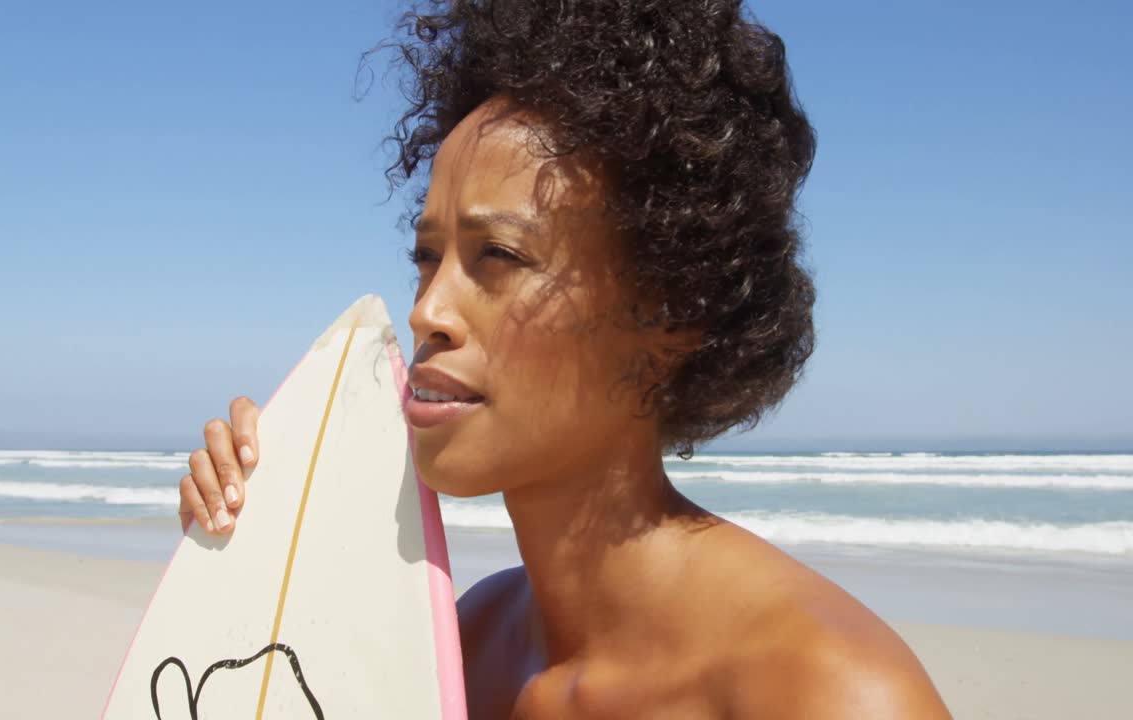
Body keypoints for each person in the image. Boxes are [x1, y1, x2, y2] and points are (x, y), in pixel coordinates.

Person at [177, 1, 952, 717]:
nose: (426, 312)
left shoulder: (825, 692)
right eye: (425, 257)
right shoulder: (466, 645)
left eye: (500, 256)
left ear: (671, 310)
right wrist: (265, 562)